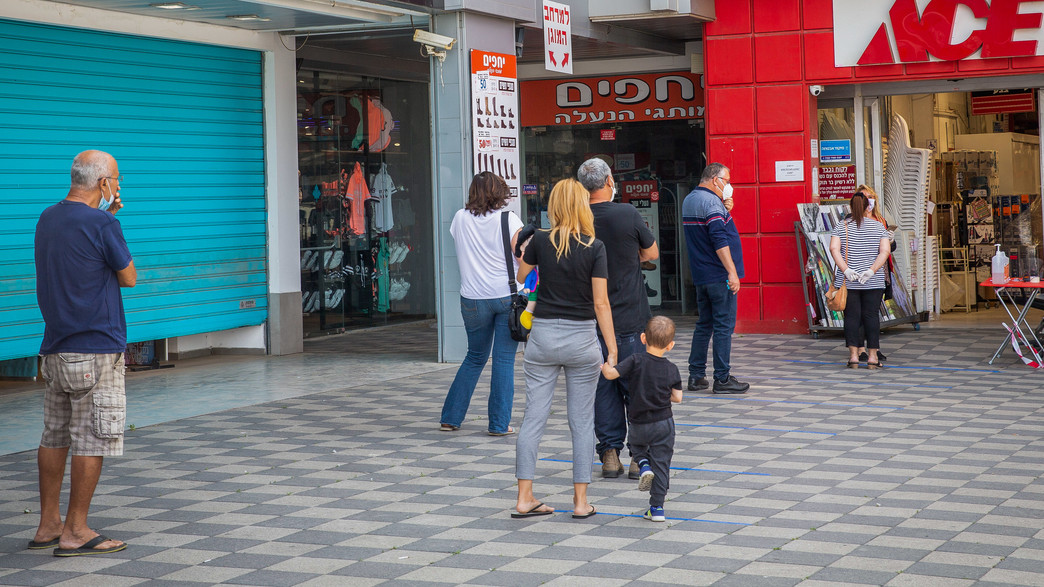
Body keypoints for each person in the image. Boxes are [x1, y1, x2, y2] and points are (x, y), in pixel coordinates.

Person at [32, 150, 136, 557]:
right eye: (117, 178)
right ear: (103, 183)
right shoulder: (103, 222)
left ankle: (47, 525)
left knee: (54, 436)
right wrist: (111, 218)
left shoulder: (48, 217)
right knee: (92, 437)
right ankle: (75, 530)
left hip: (55, 348)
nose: (120, 185)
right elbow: (128, 276)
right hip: (95, 349)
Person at [513, 178, 617, 520]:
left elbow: (522, 275)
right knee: (582, 422)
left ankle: (525, 498)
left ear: (554, 206)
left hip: (542, 337)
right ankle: (580, 502)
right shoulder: (594, 246)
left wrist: (525, 245)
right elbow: (601, 304)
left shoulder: (540, 241)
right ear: (582, 205)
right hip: (582, 340)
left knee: (533, 419)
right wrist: (612, 350)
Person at [576, 157, 658, 480]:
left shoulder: (577, 219)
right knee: (637, 387)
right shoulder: (626, 213)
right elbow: (651, 253)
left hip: (591, 320)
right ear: (609, 181)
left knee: (602, 388)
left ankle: (610, 455)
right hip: (632, 318)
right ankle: (640, 457)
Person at [440, 172, 523, 435]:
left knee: (474, 357)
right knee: (503, 361)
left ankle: (450, 418)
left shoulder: (459, 218)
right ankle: (499, 424)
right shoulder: (508, 219)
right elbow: (522, 256)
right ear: (498, 192)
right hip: (507, 298)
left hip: (472, 298)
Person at [600, 316, 682, 522]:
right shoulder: (672, 368)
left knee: (636, 448)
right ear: (670, 345)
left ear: (643, 338)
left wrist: (605, 367)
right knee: (662, 464)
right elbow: (677, 397)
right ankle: (657, 509)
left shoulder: (635, 360)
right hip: (664, 423)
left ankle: (643, 464)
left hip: (638, 423)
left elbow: (611, 375)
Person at [683, 163, 749, 394]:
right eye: (727, 180)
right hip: (719, 275)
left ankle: (696, 376)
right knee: (723, 326)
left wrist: (725, 210)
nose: (729, 185)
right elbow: (719, 239)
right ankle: (722, 379)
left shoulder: (691, 199)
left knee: (704, 325)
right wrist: (732, 272)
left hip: (701, 275)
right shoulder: (712, 203)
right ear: (714, 180)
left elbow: (706, 231)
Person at [828, 191, 891, 369]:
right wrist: (871, 271)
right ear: (867, 207)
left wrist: (846, 270)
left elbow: (834, 249)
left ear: (851, 206)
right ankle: (872, 357)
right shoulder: (879, 227)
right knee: (871, 316)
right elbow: (885, 252)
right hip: (873, 281)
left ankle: (854, 356)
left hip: (849, 281)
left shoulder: (841, 226)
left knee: (852, 317)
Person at [854, 184, 895, 363]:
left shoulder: (880, 220)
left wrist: (890, 241)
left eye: (871, 196)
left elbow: (890, 248)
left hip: (878, 271)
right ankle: (860, 349)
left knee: (872, 312)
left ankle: (873, 349)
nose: (869, 200)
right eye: (865, 196)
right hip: (857, 271)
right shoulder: (851, 220)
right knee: (858, 313)